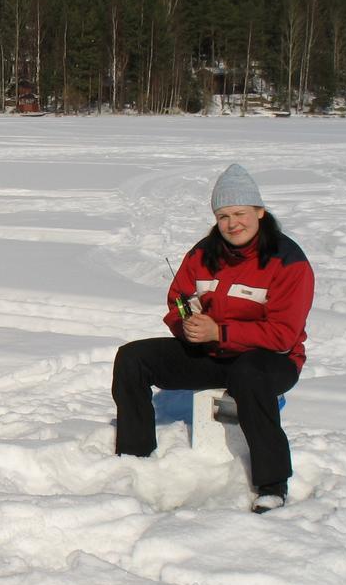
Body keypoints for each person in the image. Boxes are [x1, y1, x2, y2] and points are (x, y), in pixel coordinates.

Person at [112, 163, 315, 513]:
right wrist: (186, 325)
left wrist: (220, 332)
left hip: (272, 360)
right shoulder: (204, 253)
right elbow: (178, 297)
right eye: (223, 216)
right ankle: (135, 460)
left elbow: (283, 335)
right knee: (133, 358)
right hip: (211, 351)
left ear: (260, 212)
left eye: (240, 213)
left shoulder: (289, 262)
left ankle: (272, 483)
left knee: (249, 373)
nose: (232, 223)